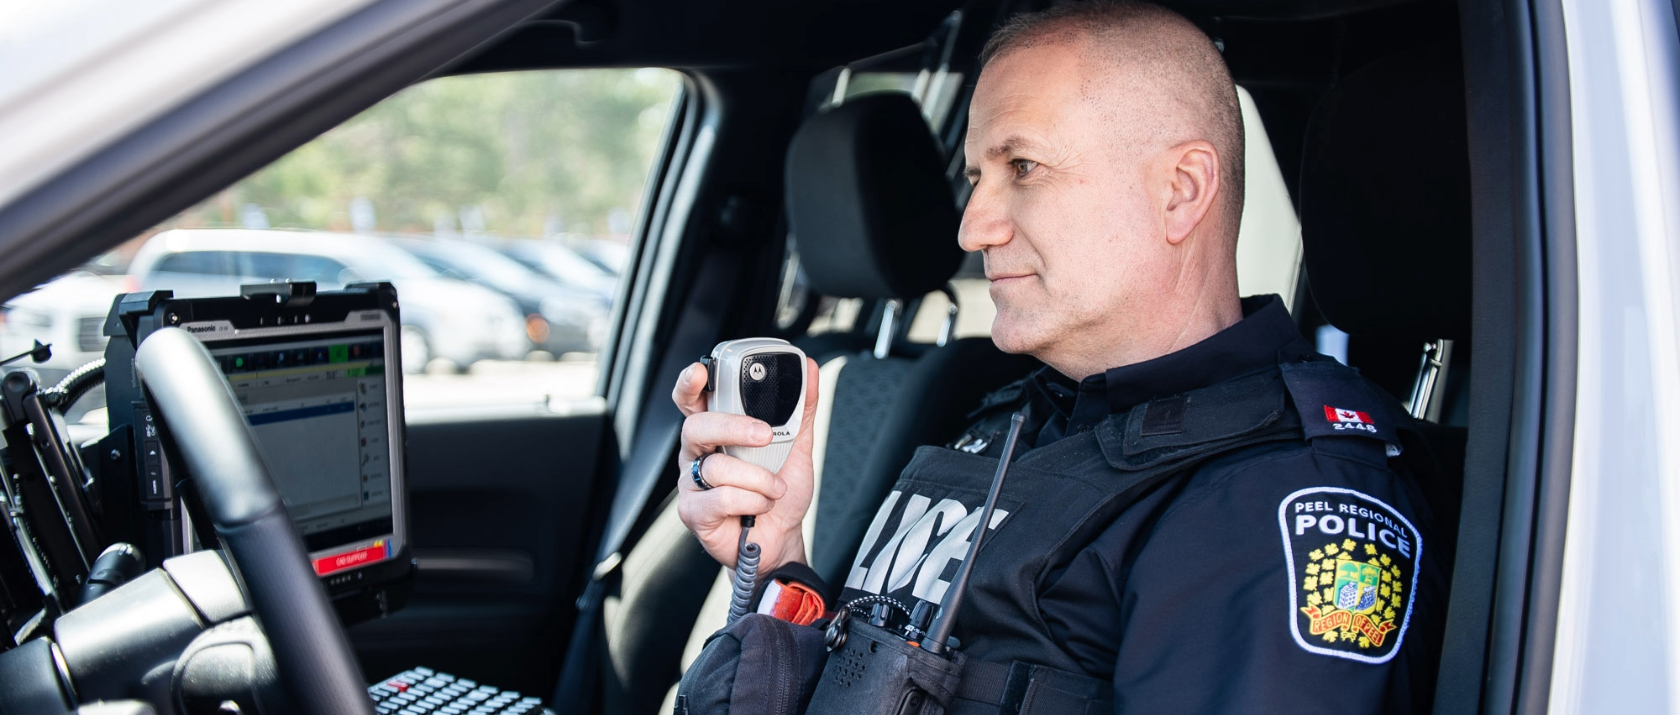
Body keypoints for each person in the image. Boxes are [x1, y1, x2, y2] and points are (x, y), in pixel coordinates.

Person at [671, 1, 1446, 712]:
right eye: (977, 176)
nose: (972, 227)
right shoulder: (1008, 415)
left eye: (1024, 168)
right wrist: (777, 561)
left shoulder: (1275, 500)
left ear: (1180, 191)